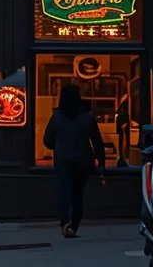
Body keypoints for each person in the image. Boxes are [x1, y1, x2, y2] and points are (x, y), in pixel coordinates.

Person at [43, 84, 107, 238]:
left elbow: (47, 140)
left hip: (63, 159)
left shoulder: (57, 117)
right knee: (78, 193)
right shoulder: (87, 117)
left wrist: (58, 144)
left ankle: (65, 222)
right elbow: (97, 142)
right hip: (84, 160)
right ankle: (74, 225)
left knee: (66, 190)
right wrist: (102, 164)